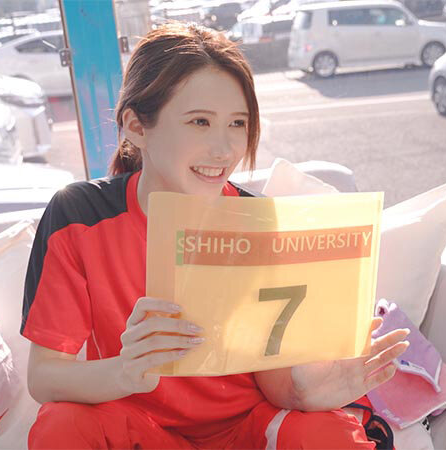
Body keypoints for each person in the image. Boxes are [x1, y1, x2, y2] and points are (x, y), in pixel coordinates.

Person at [21, 22, 410, 449]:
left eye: (237, 123)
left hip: (247, 428)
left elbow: (274, 381)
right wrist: (125, 372)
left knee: (328, 433)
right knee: (62, 425)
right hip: (139, 426)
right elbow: (44, 376)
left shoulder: (260, 222)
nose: (224, 150)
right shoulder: (79, 216)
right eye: (200, 122)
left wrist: (307, 390)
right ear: (136, 126)